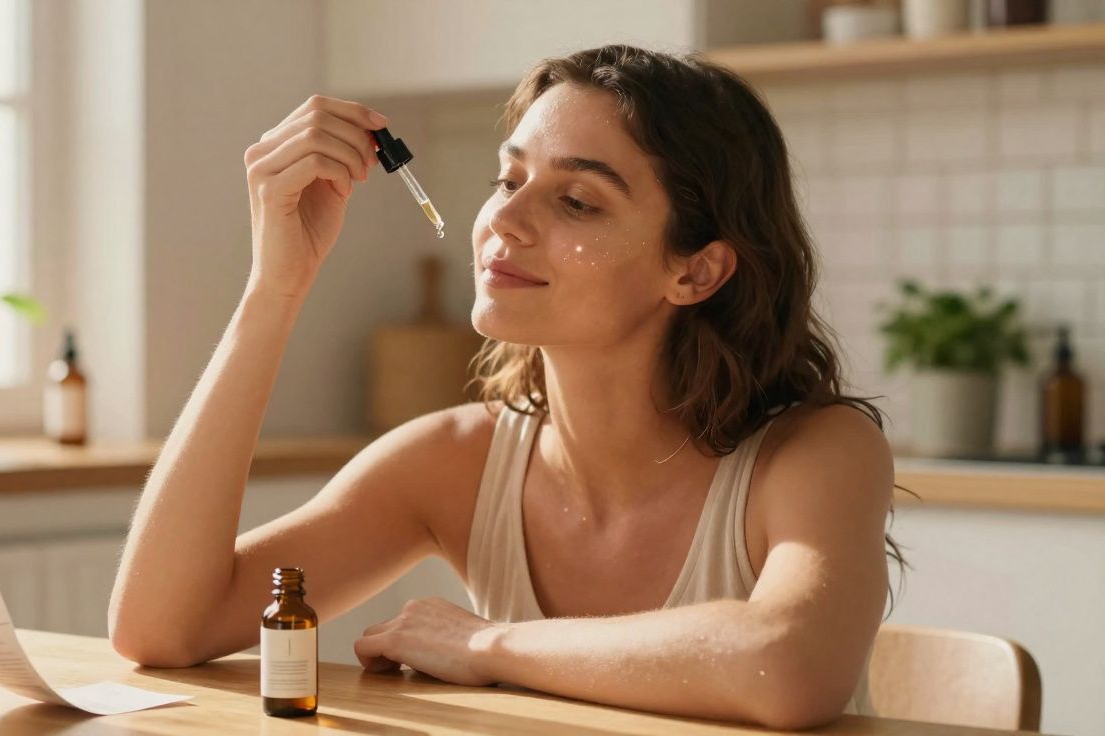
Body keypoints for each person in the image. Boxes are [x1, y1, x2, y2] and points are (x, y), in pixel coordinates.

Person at [109, 44, 903, 730]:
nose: (504, 220)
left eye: (577, 201)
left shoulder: (815, 453)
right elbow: (161, 629)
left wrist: (484, 644)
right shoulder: (456, 460)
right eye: (508, 178)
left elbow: (788, 666)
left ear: (695, 271)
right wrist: (274, 289)